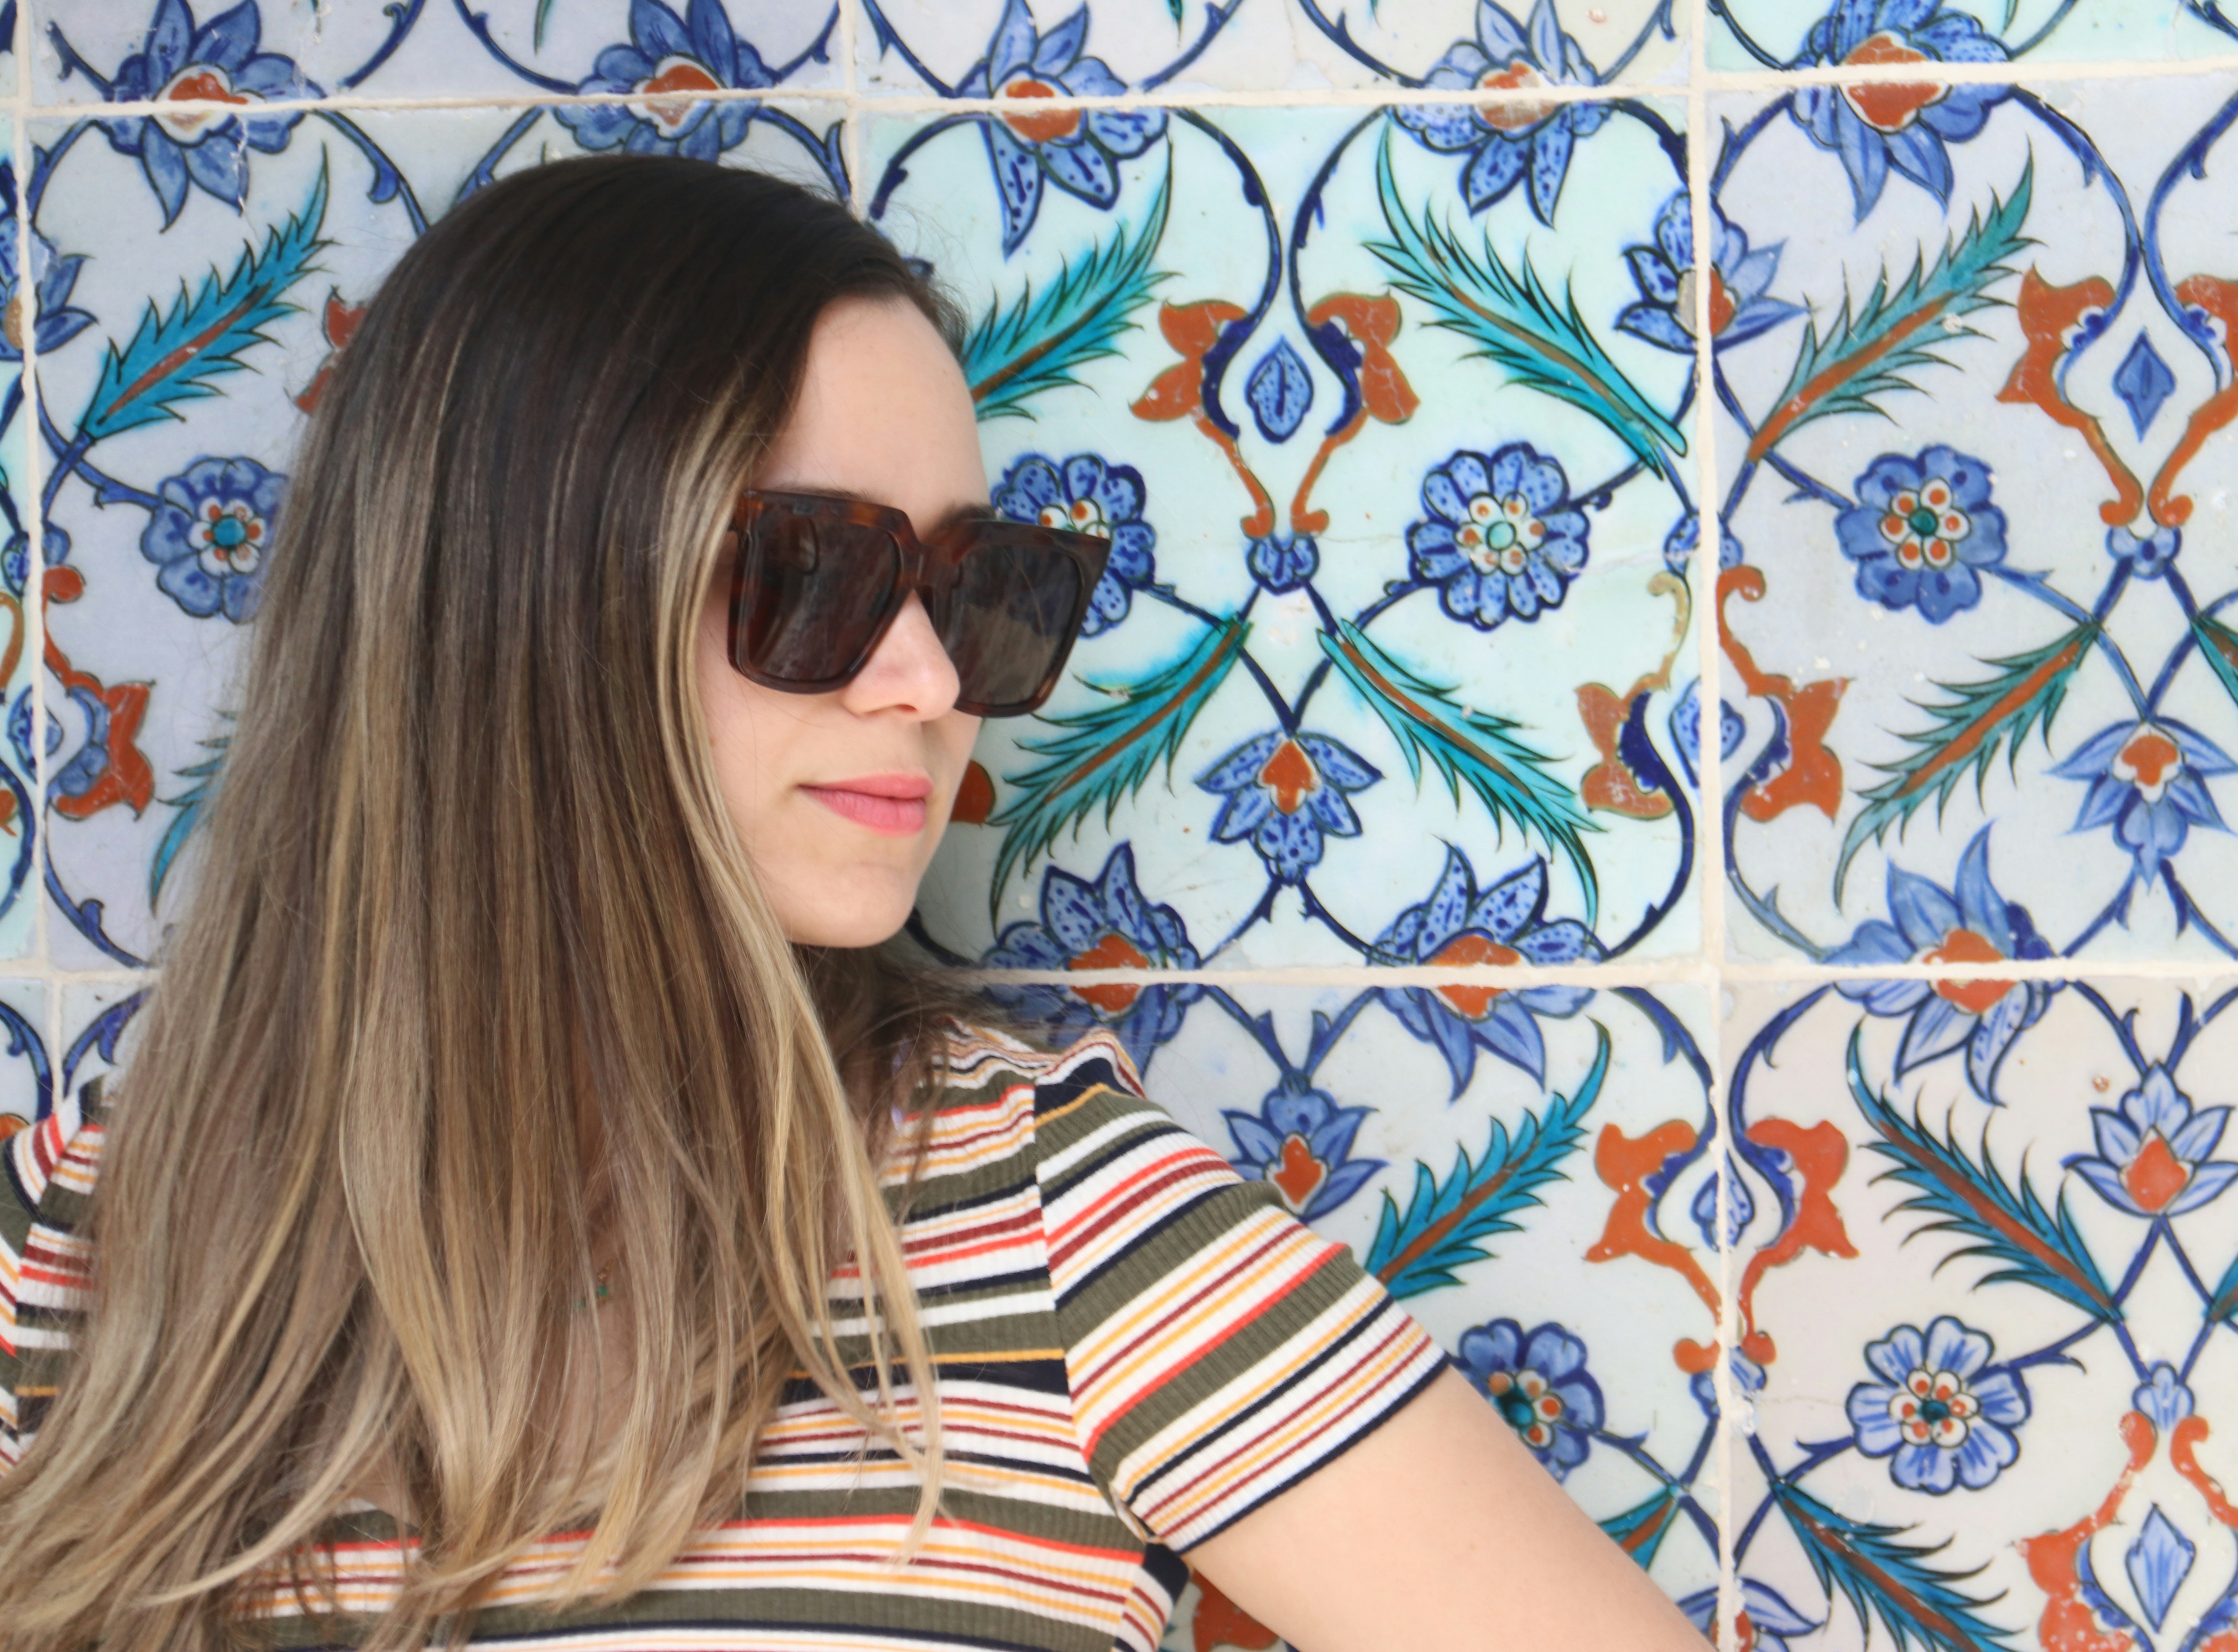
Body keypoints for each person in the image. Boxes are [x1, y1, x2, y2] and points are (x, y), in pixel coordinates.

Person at [0, 155, 1701, 1652]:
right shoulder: (73, 1253)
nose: (928, 678)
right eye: (810, 572)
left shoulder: (1061, 1223)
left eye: (980, 587)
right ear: (512, 606)